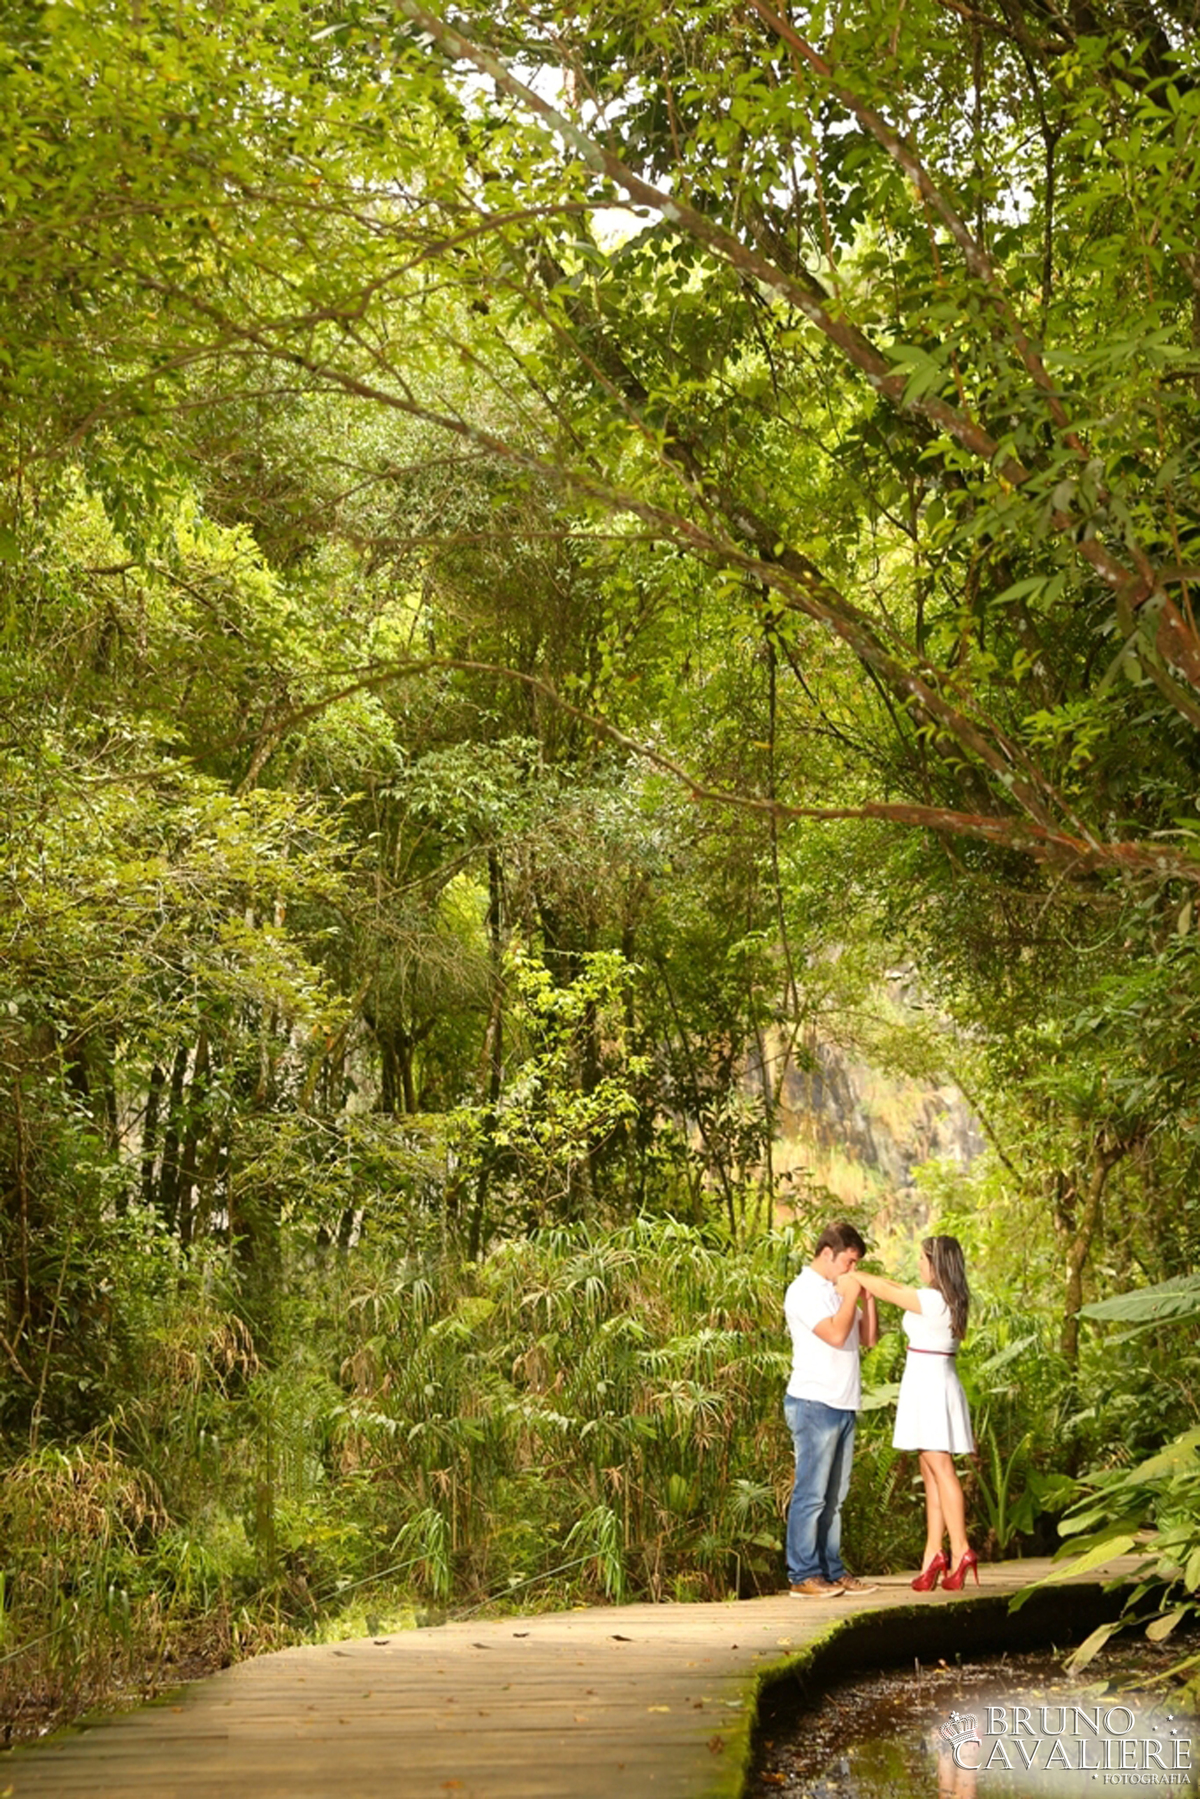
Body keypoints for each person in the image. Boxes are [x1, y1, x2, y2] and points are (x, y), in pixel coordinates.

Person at [848, 1235, 977, 1592]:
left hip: (932, 1385)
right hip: (929, 1382)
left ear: (936, 1264)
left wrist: (856, 1276)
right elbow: (893, 1285)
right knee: (930, 1470)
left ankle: (961, 1548)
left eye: (922, 1258)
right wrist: (869, 1279)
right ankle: (933, 1552)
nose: (918, 1264)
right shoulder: (943, 1298)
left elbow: (888, 1291)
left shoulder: (934, 1301)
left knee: (941, 1468)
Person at [783, 1221, 879, 1597]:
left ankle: (831, 1570)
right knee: (812, 1494)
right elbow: (836, 1334)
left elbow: (867, 1338)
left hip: (844, 1402)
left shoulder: (841, 1289)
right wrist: (851, 1294)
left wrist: (866, 1297)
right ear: (828, 1254)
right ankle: (802, 1575)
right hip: (814, 1402)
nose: (852, 1270)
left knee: (835, 1498)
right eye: (849, 1262)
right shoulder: (804, 1291)